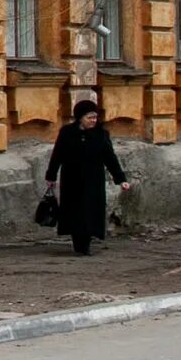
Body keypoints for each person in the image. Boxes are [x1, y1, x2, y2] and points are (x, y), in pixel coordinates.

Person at [44, 99, 132, 257]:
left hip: (93, 180)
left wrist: (121, 179)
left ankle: (86, 243)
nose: (93, 121)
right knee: (74, 212)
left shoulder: (101, 134)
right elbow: (57, 155)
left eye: (95, 117)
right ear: (80, 118)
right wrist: (51, 175)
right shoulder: (67, 132)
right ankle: (78, 242)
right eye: (89, 117)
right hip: (72, 179)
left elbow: (110, 158)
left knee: (90, 211)